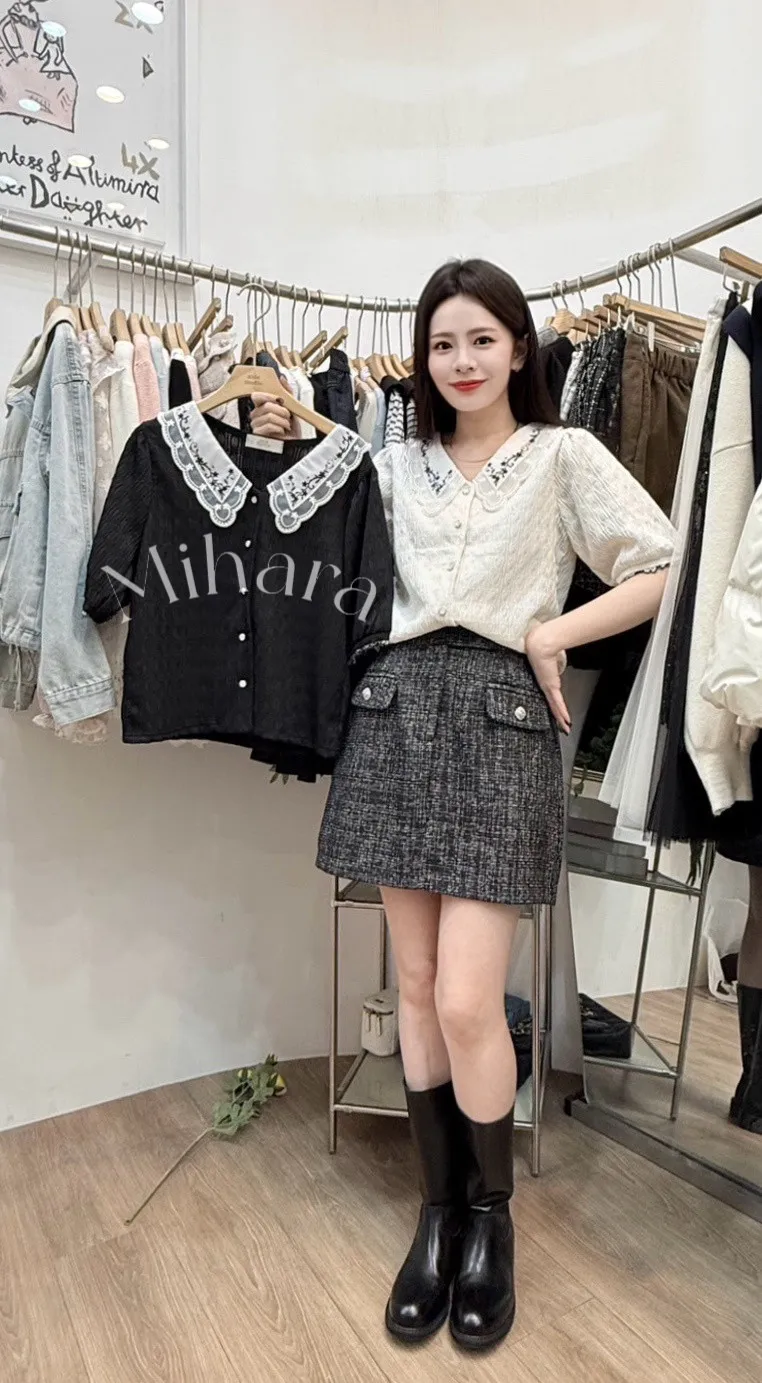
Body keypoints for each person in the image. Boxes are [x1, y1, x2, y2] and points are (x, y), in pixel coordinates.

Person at [249, 259, 676, 1352]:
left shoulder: (563, 456)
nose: (462, 361)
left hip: (499, 718)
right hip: (395, 711)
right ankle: (437, 1213)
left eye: (482, 339)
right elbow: (318, 553)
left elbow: (659, 562)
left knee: (473, 998)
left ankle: (492, 1220)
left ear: (519, 347)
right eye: (443, 344)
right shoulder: (394, 464)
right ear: (423, 358)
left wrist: (553, 633)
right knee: (419, 986)